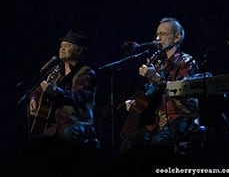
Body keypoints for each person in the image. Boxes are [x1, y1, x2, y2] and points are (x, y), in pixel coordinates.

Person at [120, 17, 206, 167]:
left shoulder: (186, 61)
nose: (158, 38)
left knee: (157, 145)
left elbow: (180, 90)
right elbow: (151, 92)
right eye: (157, 34)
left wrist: (156, 78)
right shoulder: (159, 63)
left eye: (164, 34)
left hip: (180, 115)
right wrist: (137, 102)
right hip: (157, 119)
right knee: (128, 144)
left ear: (177, 37)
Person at [26, 27, 102, 176]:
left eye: (67, 46)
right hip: (56, 124)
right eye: (61, 46)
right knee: (36, 143)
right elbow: (38, 89)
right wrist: (34, 99)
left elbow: (77, 98)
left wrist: (54, 91)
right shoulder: (56, 70)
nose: (62, 49)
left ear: (79, 51)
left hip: (77, 123)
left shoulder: (86, 73)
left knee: (66, 140)